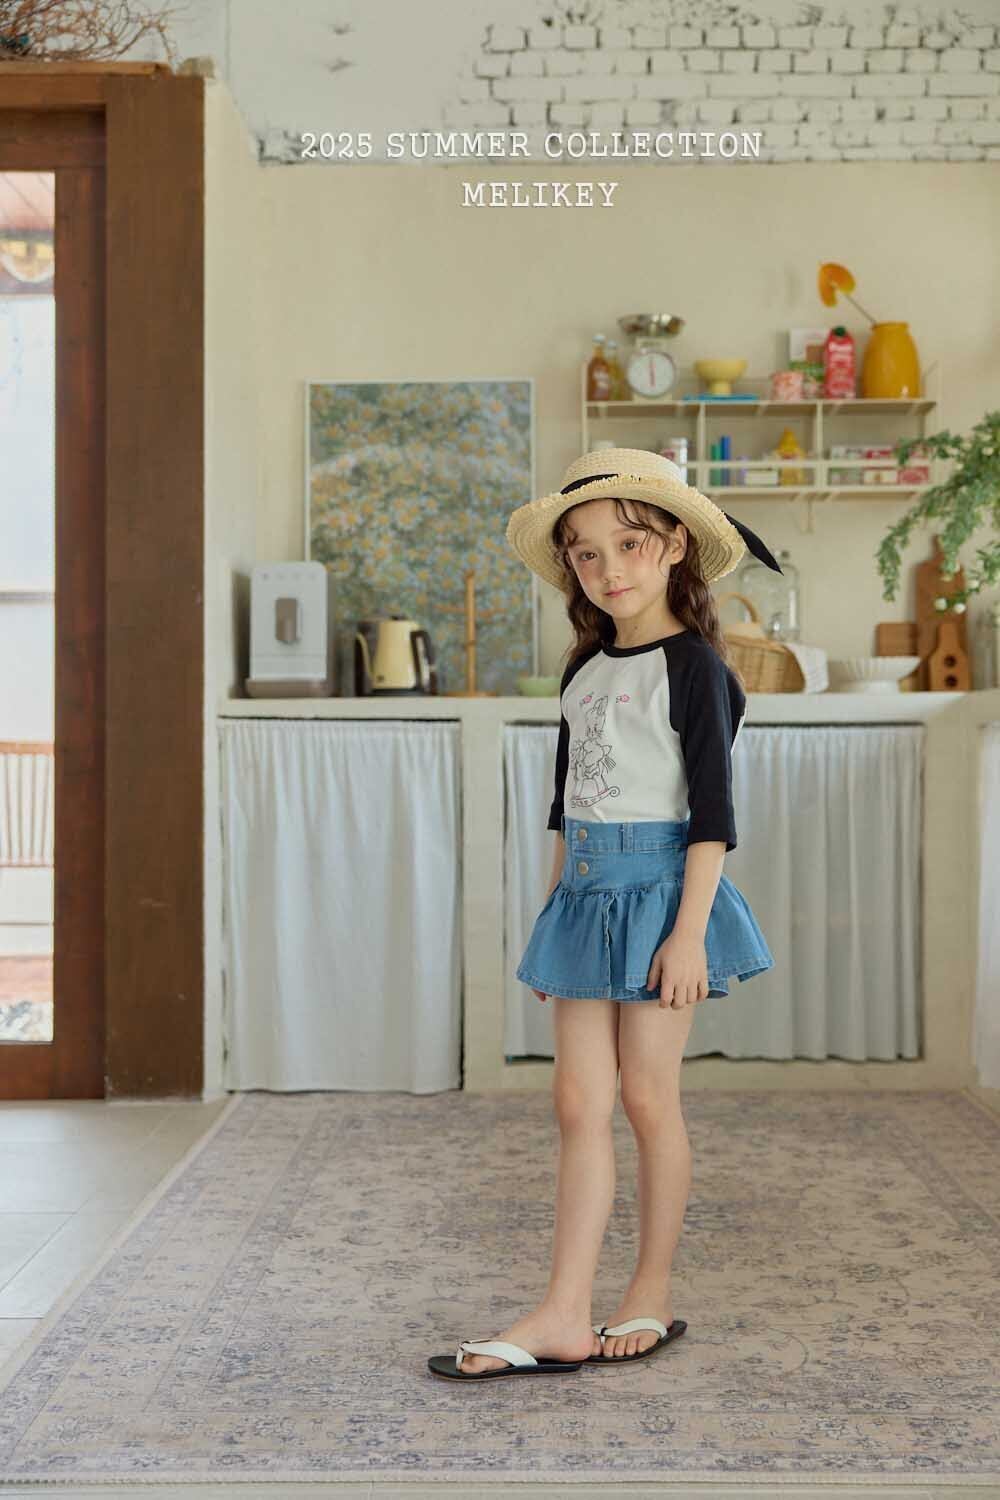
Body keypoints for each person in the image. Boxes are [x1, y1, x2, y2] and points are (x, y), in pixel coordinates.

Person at [427, 446, 780, 1383]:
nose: (607, 568)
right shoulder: (582, 671)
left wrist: (689, 934)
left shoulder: (696, 669)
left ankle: (649, 1289)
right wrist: (556, 926)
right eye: (585, 553)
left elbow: (713, 818)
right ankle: (561, 1312)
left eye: (628, 544)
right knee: (577, 1102)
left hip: (664, 897)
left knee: (646, 1096)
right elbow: (567, 808)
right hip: (584, 902)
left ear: (675, 545)